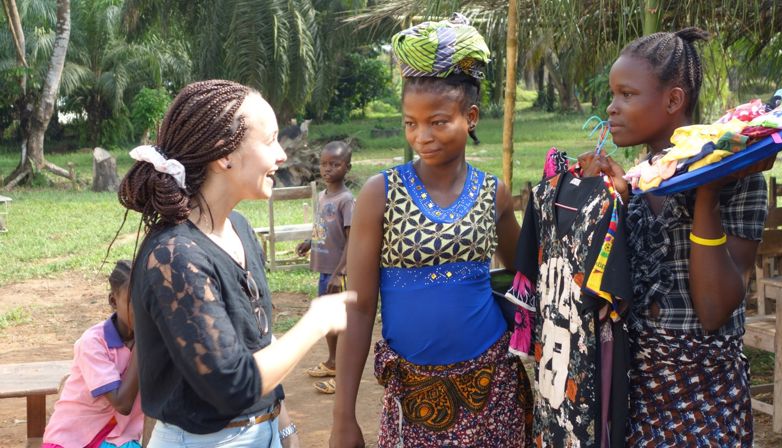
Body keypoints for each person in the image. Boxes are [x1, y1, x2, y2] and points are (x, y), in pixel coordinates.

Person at [330, 14, 533, 448]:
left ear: (471, 117)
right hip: (413, 396)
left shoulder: (491, 192)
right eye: (410, 123)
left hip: (492, 390)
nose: (422, 136)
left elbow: (525, 276)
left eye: (438, 121)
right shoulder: (379, 194)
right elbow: (361, 309)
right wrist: (343, 416)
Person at [117, 79, 354, 447]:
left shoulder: (240, 229)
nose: (281, 156)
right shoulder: (176, 256)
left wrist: (282, 423)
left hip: (264, 430)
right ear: (223, 155)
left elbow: (256, 341)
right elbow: (233, 384)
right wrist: (317, 321)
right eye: (269, 140)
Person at [586, 28, 774, 446]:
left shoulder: (740, 182)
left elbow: (713, 310)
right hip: (634, 396)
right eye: (613, 95)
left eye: (627, 95)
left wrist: (706, 191)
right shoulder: (637, 181)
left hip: (706, 401)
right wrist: (608, 204)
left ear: (673, 101)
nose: (611, 108)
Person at [42, 260, 143, 448]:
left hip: (121, 439)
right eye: (133, 300)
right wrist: (143, 343)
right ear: (113, 301)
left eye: (148, 299)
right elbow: (122, 404)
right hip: (72, 439)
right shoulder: (94, 342)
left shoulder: (157, 340)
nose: (143, 308)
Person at [296, 141, 355, 394]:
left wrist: (339, 272)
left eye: (335, 164)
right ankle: (332, 362)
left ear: (347, 167)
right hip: (324, 271)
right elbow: (324, 227)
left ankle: (341, 377)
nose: (328, 168)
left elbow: (352, 240)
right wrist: (310, 242)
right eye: (324, 164)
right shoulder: (322, 196)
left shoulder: (346, 200)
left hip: (337, 273)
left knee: (339, 324)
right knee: (329, 322)